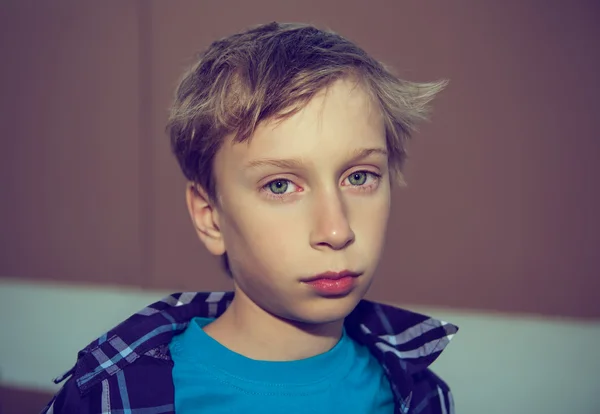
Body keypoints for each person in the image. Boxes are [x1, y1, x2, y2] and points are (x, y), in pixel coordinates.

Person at [42, 22, 458, 414]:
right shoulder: (110, 396)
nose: (336, 230)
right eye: (280, 185)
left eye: (360, 176)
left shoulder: (421, 395)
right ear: (210, 217)